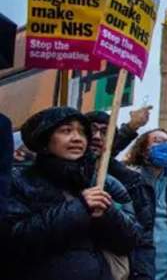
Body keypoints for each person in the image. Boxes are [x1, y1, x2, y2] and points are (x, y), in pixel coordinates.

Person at [4, 107, 139, 280]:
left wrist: (108, 213)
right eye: (66, 131)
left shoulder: (102, 183)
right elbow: (15, 240)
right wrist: (79, 208)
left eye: (82, 132)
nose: (77, 138)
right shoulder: (18, 181)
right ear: (45, 139)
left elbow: (129, 241)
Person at [120, 129, 167, 280]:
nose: (165, 146)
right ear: (144, 151)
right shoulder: (130, 180)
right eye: (158, 141)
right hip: (137, 270)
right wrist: (131, 127)